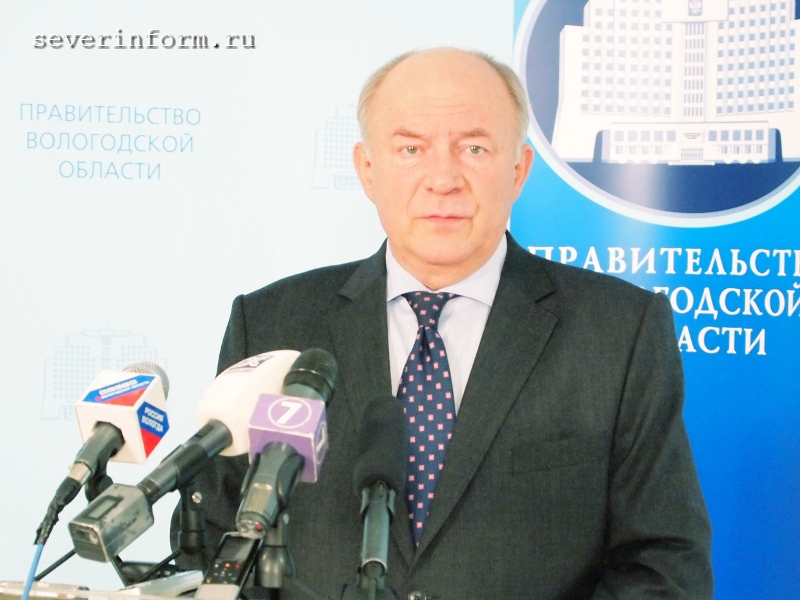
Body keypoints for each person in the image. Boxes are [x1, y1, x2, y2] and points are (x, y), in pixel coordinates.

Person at [178, 48, 713, 599]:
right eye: (411, 149)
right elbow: (214, 545)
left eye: (474, 148)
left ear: (518, 170)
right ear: (367, 169)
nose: (443, 179)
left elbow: (663, 563)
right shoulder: (272, 323)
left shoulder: (618, 331)